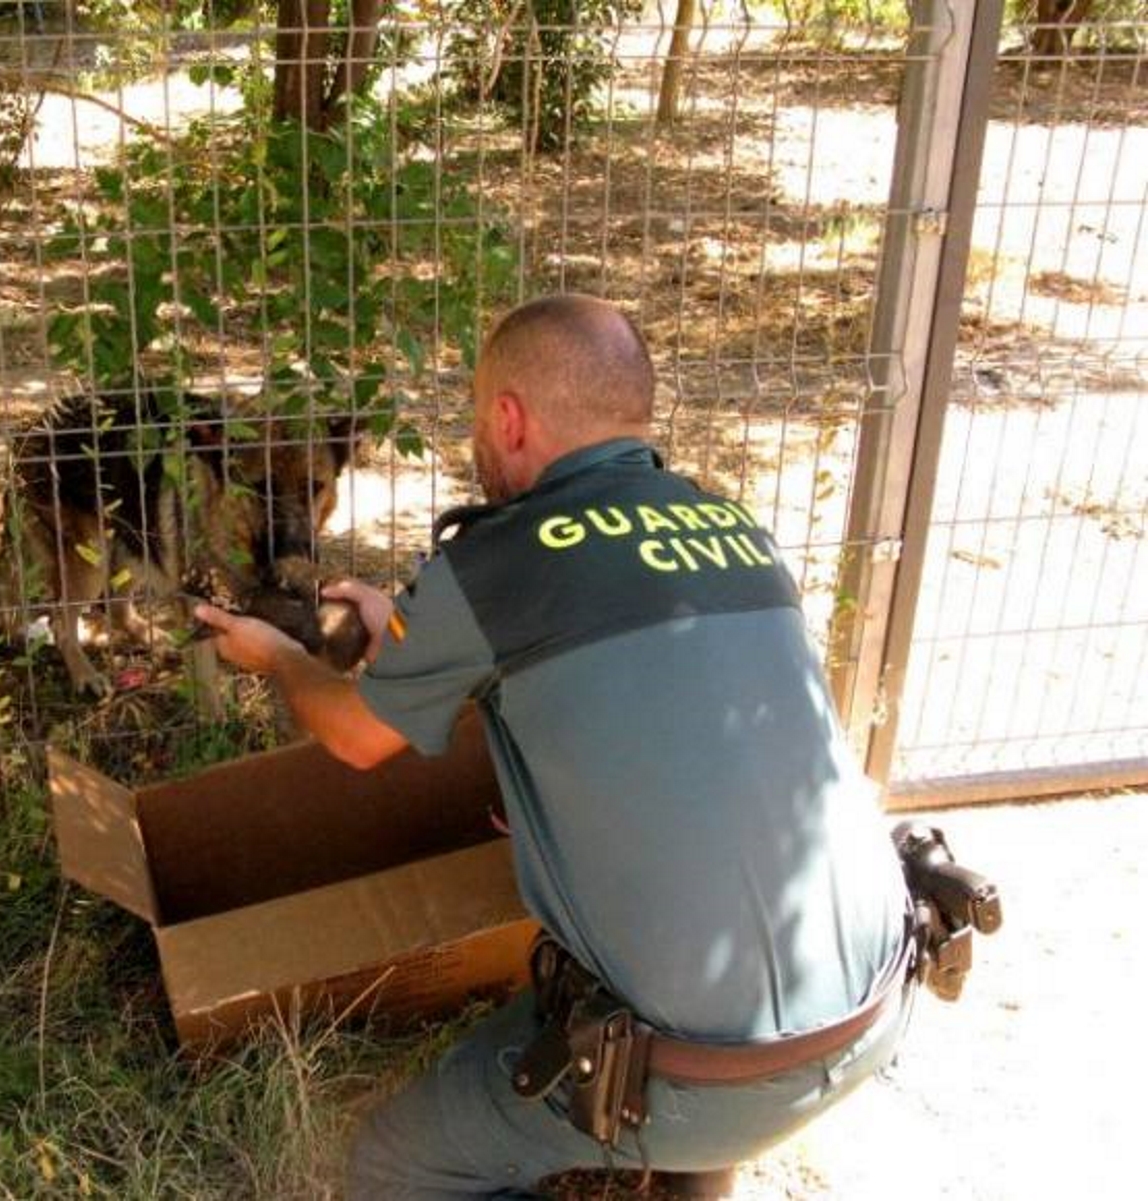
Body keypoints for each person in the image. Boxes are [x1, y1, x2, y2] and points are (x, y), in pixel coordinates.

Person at [194, 294, 912, 1200]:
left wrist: (283, 658)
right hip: (873, 1008)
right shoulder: (738, 531)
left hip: (705, 1073)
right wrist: (407, 631)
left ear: (508, 416)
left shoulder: (498, 561)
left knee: (389, 1162)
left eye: (475, 425)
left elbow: (350, 735)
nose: (477, 450)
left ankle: (680, 1127)